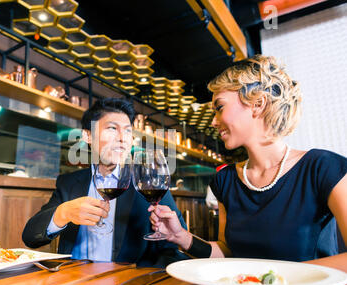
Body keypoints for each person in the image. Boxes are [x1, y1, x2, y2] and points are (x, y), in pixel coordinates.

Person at [149, 55, 347, 272]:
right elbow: (228, 252)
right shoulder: (225, 180)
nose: (214, 121)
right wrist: (182, 237)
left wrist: (275, 279)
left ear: (258, 104)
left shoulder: (323, 168)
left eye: (220, 107)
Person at [22, 98, 188, 267]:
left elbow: (173, 249)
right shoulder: (69, 183)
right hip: (74, 281)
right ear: (88, 135)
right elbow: (30, 237)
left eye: (128, 131)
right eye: (112, 128)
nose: (122, 138)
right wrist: (63, 213)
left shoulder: (149, 183)